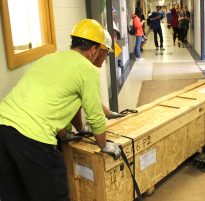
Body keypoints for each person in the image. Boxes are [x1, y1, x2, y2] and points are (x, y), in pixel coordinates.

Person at [0, 19, 122, 201]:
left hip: (3, 128)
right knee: (53, 195)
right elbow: (94, 115)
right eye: (104, 53)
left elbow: (58, 101)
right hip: (33, 139)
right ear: (94, 50)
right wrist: (104, 145)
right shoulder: (86, 69)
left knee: (15, 195)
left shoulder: (52, 57)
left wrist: (68, 133)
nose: (104, 59)